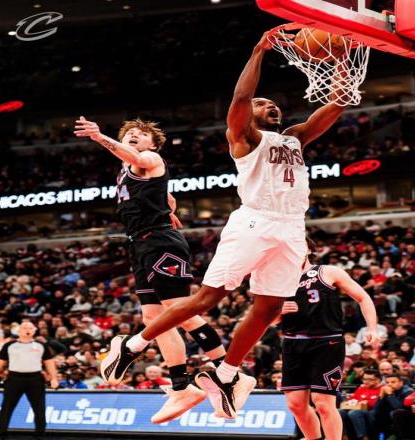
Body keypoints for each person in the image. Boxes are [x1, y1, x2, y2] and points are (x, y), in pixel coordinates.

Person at [97, 25, 379, 419]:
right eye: (263, 104)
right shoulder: (244, 138)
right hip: (254, 222)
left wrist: (344, 64)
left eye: (273, 104)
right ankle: (132, 346)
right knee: (207, 298)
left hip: (293, 227)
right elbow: (242, 97)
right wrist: (259, 50)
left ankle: (227, 374)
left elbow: (338, 102)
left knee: (269, 307)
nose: (269, 106)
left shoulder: (295, 137)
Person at [74, 117, 226, 423]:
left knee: (178, 310)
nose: (134, 135)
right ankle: (181, 387)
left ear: (153, 145)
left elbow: (140, 161)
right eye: (129, 133)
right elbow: (166, 197)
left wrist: (100, 137)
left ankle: (229, 372)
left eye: (141, 134)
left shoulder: (150, 159)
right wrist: (168, 207)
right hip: (140, 244)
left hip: (159, 242)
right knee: (154, 318)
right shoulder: (127, 172)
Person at [280, 251, 379, 440]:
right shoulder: (277, 278)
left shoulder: (328, 272)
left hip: (327, 341)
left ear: (308, 249)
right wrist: (277, 311)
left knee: (323, 403)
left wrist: (372, 328)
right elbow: (268, 319)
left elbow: (363, 297)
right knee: (295, 405)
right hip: (293, 343)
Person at [0, 321, 58, 437]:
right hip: (14, 378)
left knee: (39, 407)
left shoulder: (41, 345)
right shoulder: (9, 345)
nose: (27, 330)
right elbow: (0, 362)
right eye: (25, 328)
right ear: (19, 331)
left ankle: (40, 433)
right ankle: (1, 432)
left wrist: (54, 378)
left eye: (30, 328)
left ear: (34, 331)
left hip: (35, 379)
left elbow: (49, 363)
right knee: (7, 407)